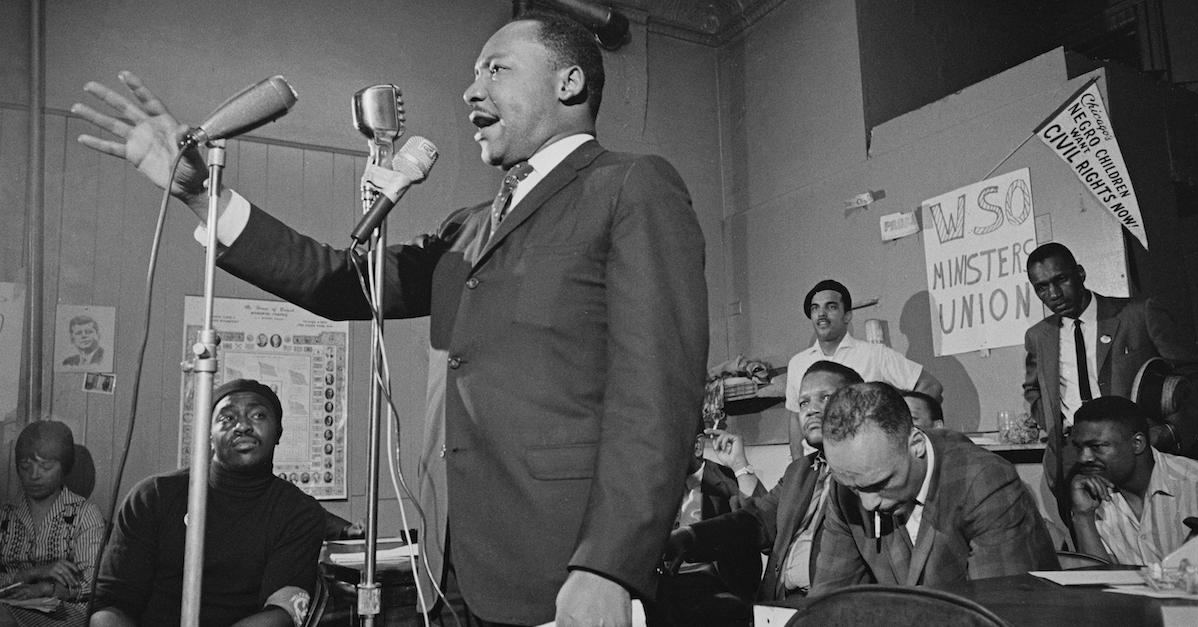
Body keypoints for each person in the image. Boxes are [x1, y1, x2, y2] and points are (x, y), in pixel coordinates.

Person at [73, 11, 707, 626]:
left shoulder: (631, 186)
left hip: (567, 567)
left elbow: (658, 397)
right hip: (455, 567)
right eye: (471, 72)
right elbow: (336, 282)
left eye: (496, 69)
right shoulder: (470, 227)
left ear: (569, 82)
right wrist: (202, 195)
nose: (470, 89)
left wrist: (610, 568)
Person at [90, 379, 326, 626]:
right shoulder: (152, 497)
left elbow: (282, 614)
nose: (243, 426)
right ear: (208, 435)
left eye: (257, 415)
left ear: (278, 432)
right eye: (227, 418)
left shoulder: (299, 513)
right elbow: (109, 606)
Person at [811, 382, 1057, 592]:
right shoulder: (846, 486)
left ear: (915, 444)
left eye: (880, 483)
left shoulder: (984, 481)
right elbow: (828, 605)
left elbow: (999, 608)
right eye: (855, 488)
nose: (868, 503)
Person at [1023, 242, 1198, 527]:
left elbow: (1194, 376)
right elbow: (1033, 389)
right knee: (1095, 552)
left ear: (1080, 273)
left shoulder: (1138, 314)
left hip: (1139, 458)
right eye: (1042, 287)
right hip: (1072, 460)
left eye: (1061, 280)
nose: (1053, 294)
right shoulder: (1038, 336)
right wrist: (1056, 427)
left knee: (1159, 547)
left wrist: (1171, 431)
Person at [662, 361, 865, 603]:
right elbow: (756, 519)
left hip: (833, 610)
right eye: (803, 402)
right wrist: (690, 536)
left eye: (826, 397)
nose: (811, 409)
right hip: (777, 607)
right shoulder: (799, 472)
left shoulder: (867, 474)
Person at [784, 280, 941, 459]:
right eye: (815, 308)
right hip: (816, 464)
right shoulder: (798, 363)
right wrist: (797, 469)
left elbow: (929, 385)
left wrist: (897, 429)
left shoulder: (874, 354)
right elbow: (795, 419)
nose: (821, 314)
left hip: (866, 461)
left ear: (847, 315)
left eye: (831, 307)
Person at [644, 430, 763, 626]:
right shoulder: (651, 483)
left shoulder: (727, 481)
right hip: (663, 592)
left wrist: (741, 467)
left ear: (697, 447)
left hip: (717, 593)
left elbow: (759, 521)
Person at [1068, 396, 1198, 565]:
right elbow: (1097, 582)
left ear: (1137, 443)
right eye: (1079, 447)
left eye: (1096, 447)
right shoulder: (1088, 496)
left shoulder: (1194, 483)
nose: (1083, 458)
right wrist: (1083, 516)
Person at [0, 421, 104, 627]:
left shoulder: (84, 514)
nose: (34, 475)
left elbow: (93, 584)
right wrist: (31, 573)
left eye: (46, 466)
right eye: (25, 467)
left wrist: (46, 589)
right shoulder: (5, 515)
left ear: (64, 468)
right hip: (8, 605)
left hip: (63, 611)